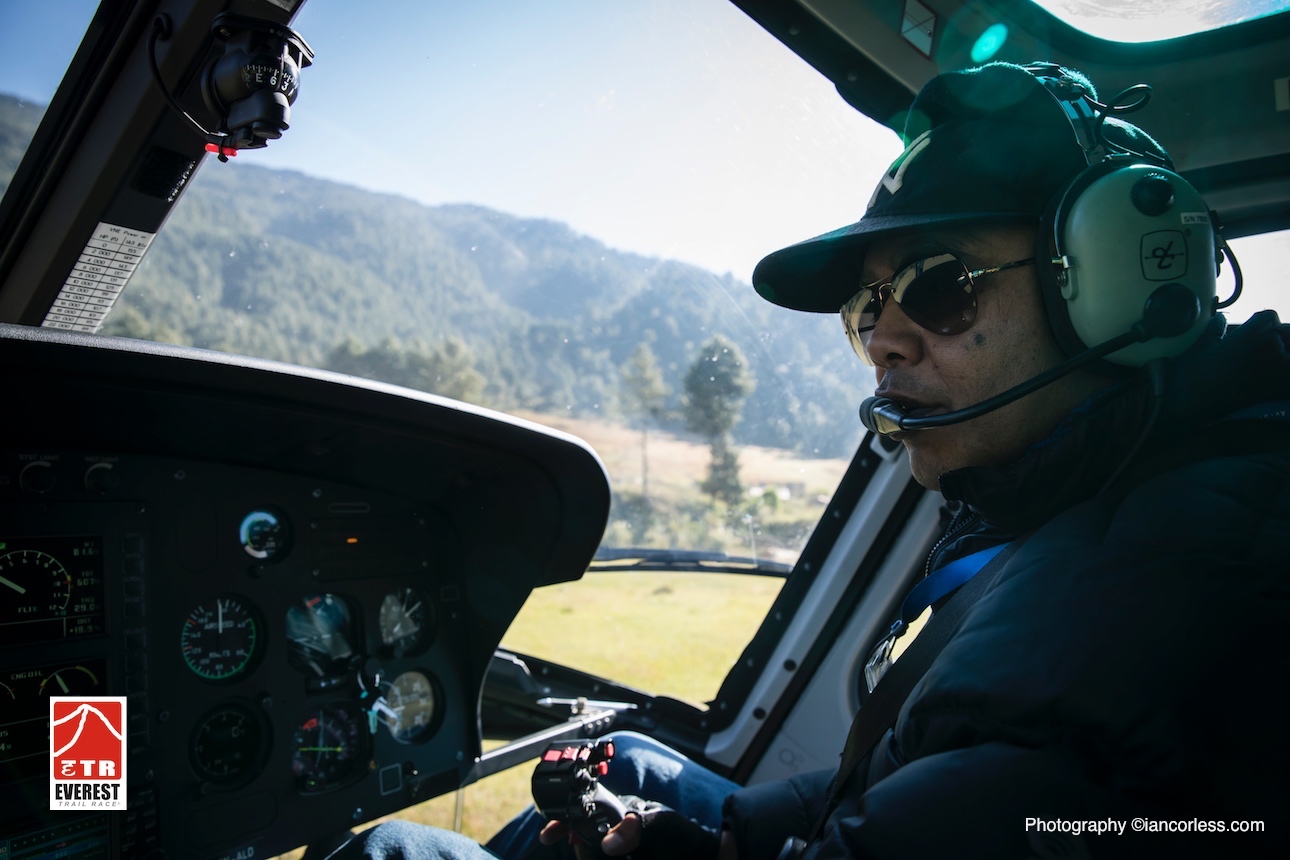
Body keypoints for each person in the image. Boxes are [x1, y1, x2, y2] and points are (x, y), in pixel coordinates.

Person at [330, 60, 1290, 860]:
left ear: (1117, 277)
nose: (886, 343)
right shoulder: (1101, 499)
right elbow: (906, 787)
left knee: (391, 851)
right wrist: (726, 838)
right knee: (622, 763)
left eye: (939, 285)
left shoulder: (1153, 592)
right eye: (870, 308)